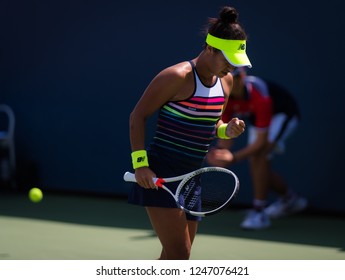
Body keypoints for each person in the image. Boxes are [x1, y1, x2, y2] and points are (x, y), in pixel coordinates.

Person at [127, 6, 250, 259]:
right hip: (162, 174)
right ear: (210, 49)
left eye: (235, 62)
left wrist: (229, 130)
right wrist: (141, 165)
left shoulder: (225, 82)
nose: (232, 68)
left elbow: (212, 125)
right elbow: (137, 116)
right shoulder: (176, 76)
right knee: (179, 253)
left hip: (193, 176)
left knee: (178, 256)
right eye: (227, 60)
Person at [206, 67, 308, 230]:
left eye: (236, 78)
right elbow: (226, 136)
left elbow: (260, 144)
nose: (231, 82)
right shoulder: (227, 97)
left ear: (243, 77)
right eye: (227, 78)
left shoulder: (259, 95)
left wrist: (232, 158)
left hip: (282, 115)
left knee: (259, 155)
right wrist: (219, 153)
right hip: (258, 120)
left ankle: (259, 212)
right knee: (258, 161)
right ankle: (290, 199)